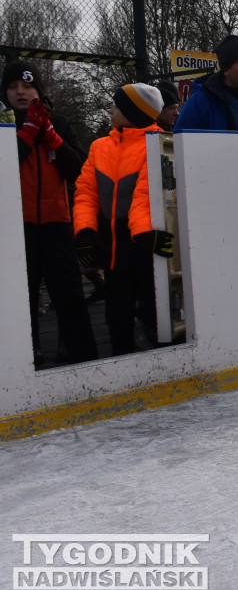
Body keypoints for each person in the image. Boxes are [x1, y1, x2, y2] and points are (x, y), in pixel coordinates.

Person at [2, 60, 98, 367]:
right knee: (19, 300)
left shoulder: (57, 120)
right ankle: (23, 356)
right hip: (15, 228)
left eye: (27, 86)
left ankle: (80, 356)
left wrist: (53, 138)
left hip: (57, 223)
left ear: (38, 90)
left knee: (70, 297)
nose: (20, 92)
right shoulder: (3, 122)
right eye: (14, 86)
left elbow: (79, 170)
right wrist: (26, 134)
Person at [74, 84, 174, 355]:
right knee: (116, 314)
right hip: (113, 248)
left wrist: (142, 233)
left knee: (156, 313)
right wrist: (84, 232)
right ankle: (122, 360)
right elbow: (86, 193)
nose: (110, 110)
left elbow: (145, 192)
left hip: (147, 245)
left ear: (132, 111)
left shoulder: (160, 142)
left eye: (116, 106)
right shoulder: (99, 147)